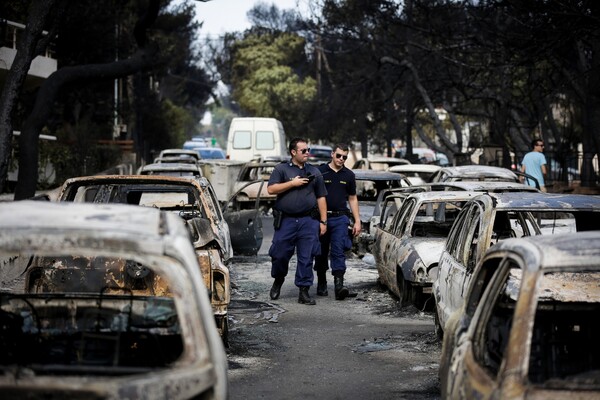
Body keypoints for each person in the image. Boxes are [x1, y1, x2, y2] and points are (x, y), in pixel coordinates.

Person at [267, 137, 328, 305]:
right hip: (286, 220)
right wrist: (292, 184)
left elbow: (321, 197)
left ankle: (304, 291)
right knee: (279, 254)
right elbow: (271, 189)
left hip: (308, 220)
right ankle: (278, 280)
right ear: (293, 152)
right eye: (303, 151)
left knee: (307, 257)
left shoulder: (314, 172)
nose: (307, 153)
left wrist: (323, 222)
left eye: (308, 150)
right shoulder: (281, 169)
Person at [314, 143, 361, 300]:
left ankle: (339, 286)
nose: (341, 159)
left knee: (338, 251)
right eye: (339, 155)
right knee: (320, 251)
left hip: (340, 218)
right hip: (321, 218)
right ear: (332, 154)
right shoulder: (320, 172)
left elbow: (352, 198)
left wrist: (357, 221)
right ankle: (321, 283)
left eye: (345, 157)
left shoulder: (348, 175)